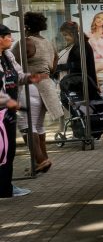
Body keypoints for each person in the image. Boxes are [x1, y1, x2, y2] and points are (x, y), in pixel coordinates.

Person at [0, 26, 46, 198]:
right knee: (2, 151)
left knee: (9, 150)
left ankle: (6, 186)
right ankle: (4, 189)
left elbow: (18, 76)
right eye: (8, 36)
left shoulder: (8, 55)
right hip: (2, 112)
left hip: (8, 113)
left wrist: (30, 78)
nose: (11, 40)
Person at [15, 12, 60, 174]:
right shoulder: (48, 43)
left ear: (26, 26)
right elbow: (54, 67)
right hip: (47, 86)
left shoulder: (25, 43)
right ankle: (43, 160)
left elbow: (13, 65)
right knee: (39, 125)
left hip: (30, 87)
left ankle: (40, 160)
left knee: (26, 125)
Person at [55, 21, 99, 100]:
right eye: (63, 35)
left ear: (73, 33)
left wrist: (60, 67)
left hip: (79, 86)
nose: (65, 38)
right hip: (73, 84)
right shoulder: (74, 45)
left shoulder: (82, 45)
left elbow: (80, 64)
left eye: (66, 35)